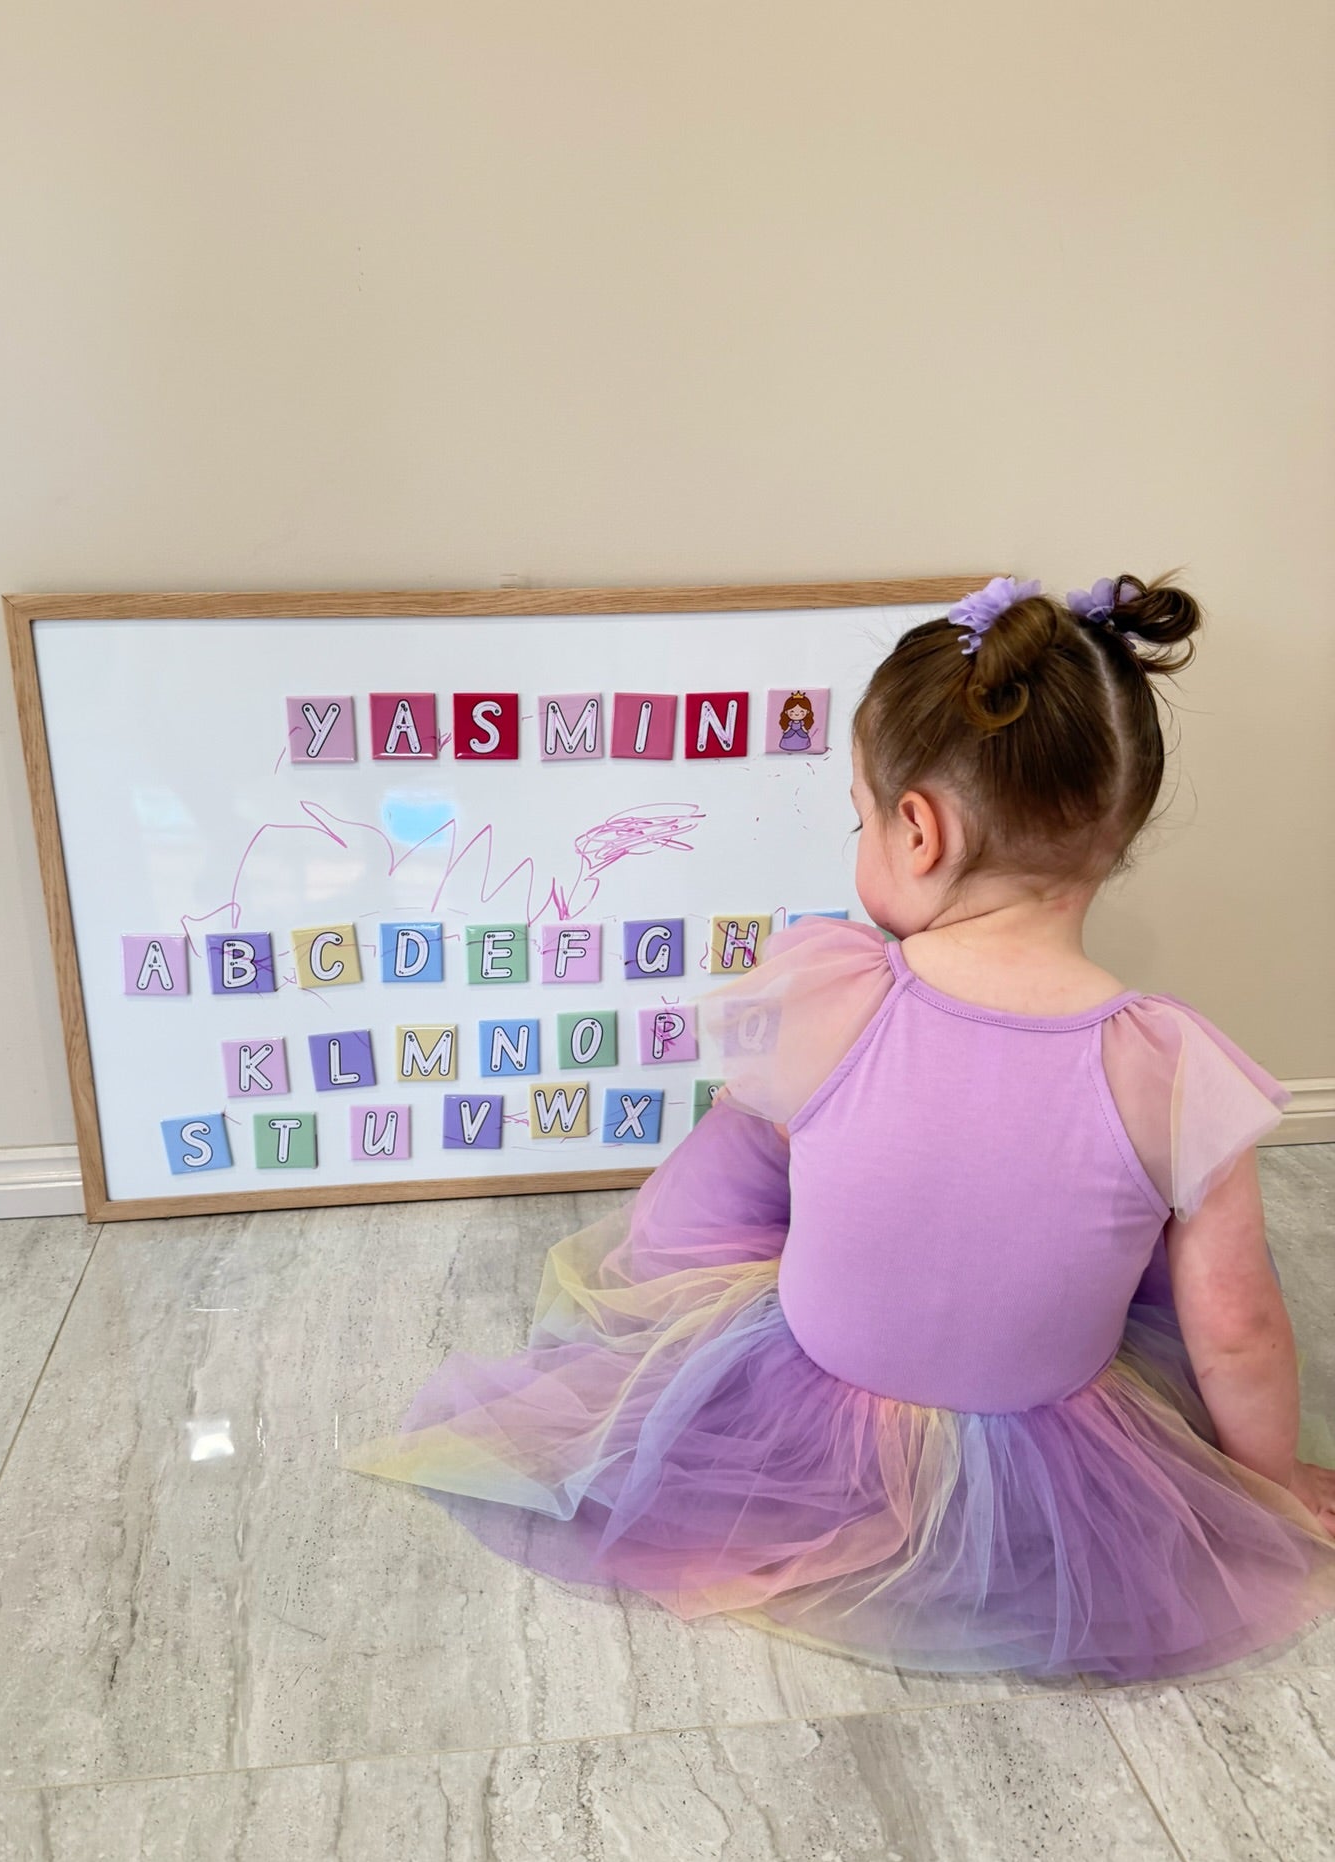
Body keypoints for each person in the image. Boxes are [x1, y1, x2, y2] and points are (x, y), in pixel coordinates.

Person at [346, 576, 1335, 1681]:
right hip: (1050, 1431)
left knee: (759, 1136)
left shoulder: (830, 993)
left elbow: (739, 1168)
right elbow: (1239, 1327)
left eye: (858, 814)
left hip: (811, 1399)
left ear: (918, 830)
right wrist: (1268, 1486)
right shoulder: (1173, 1065)